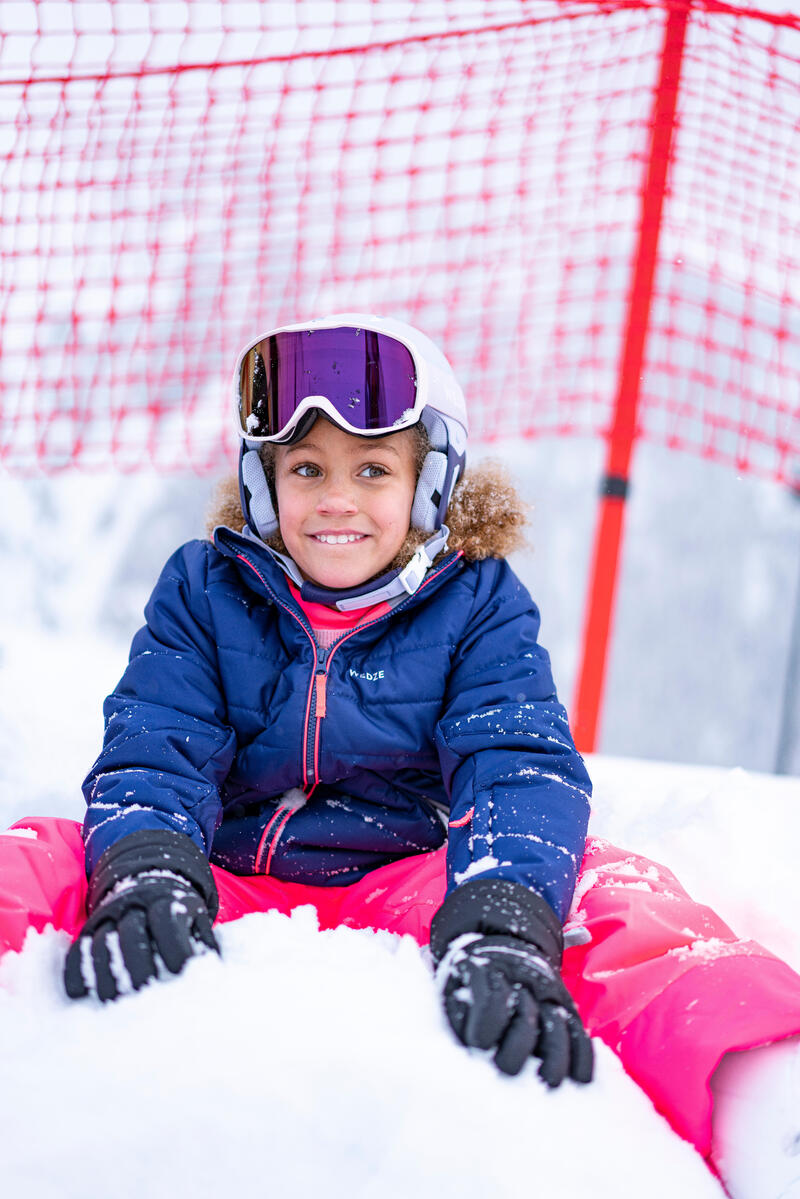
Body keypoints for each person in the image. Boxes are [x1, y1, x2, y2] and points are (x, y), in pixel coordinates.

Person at [1, 314, 798, 1197]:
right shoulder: (204, 587)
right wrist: (149, 867)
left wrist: (501, 914)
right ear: (265, 486)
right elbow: (156, 744)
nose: (335, 500)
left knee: (614, 895)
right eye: (307, 469)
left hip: (409, 872)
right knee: (41, 854)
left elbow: (516, 762)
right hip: (222, 867)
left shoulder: (477, 603)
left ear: (428, 489)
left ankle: (764, 1094)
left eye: (372, 470)